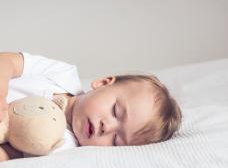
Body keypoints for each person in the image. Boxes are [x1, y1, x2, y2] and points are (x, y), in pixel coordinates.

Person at [0, 52, 182, 161]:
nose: (107, 127)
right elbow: (7, 61)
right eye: (115, 111)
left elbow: (11, 154)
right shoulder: (63, 74)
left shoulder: (64, 147)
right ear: (103, 83)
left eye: (115, 141)